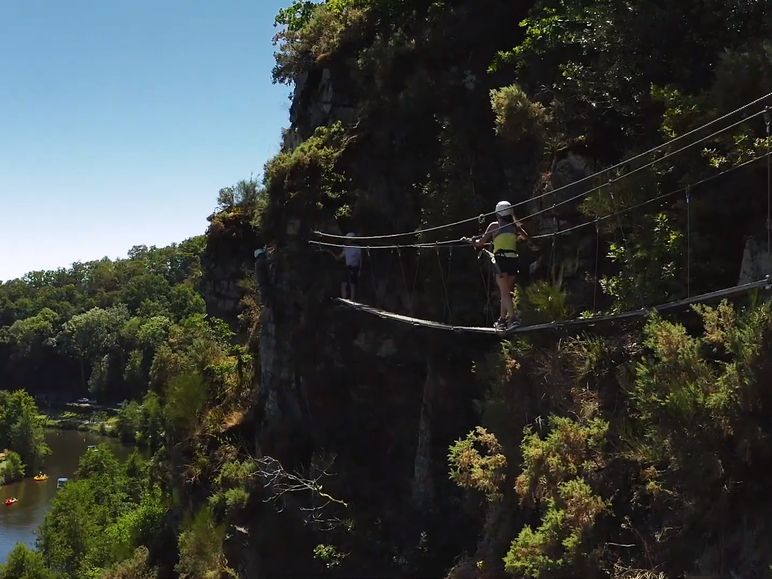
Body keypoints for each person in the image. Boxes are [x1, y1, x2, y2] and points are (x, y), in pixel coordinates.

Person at [472, 200, 529, 330]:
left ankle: (514, 319)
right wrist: (516, 237)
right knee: (506, 292)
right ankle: (502, 320)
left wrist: (473, 241)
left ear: (498, 213)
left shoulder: (494, 226)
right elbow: (525, 237)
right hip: (513, 260)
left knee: (504, 292)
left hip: (501, 261)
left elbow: (480, 243)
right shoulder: (515, 227)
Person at [331, 232, 362, 300]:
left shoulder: (357, 248)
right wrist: (336, 256)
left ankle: (352, 299)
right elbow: (341, 256)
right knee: (343, 284)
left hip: (354, 268)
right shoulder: (346, 248)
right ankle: (344, 299)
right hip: (347, 267)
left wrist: (360, 270)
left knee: (352, 284)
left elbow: (360, 259)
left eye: (348, 239)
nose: (346, 241)